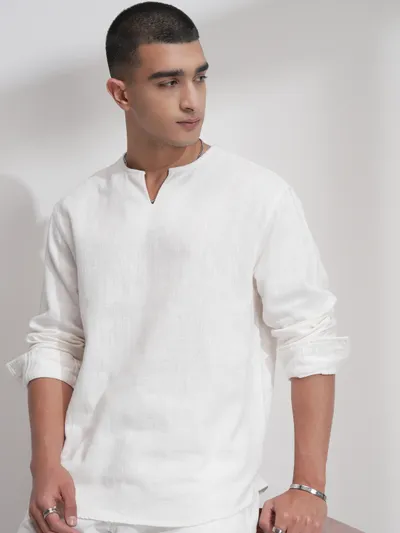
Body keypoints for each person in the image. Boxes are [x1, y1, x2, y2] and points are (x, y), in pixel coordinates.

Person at [6, 2, 350, 533]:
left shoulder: (259, 196)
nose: (192, 100)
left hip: (206, 504)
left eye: (199, 77)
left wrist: (309, 485)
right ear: (121, 94)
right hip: (82, 500)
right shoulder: (79, 208)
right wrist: (45, 465)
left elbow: (309, 337)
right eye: (168, 82)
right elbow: (56, 342)